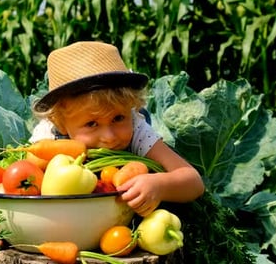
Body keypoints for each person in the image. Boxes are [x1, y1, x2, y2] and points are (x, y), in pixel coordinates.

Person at [29, 41, 205, 217]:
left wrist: (159, 185)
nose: (109, 136)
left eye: (118, 118)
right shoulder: (48, 136)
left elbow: (193, 182)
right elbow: (16, 187)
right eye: (92, 124)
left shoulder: (137, 130)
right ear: (60, 122)